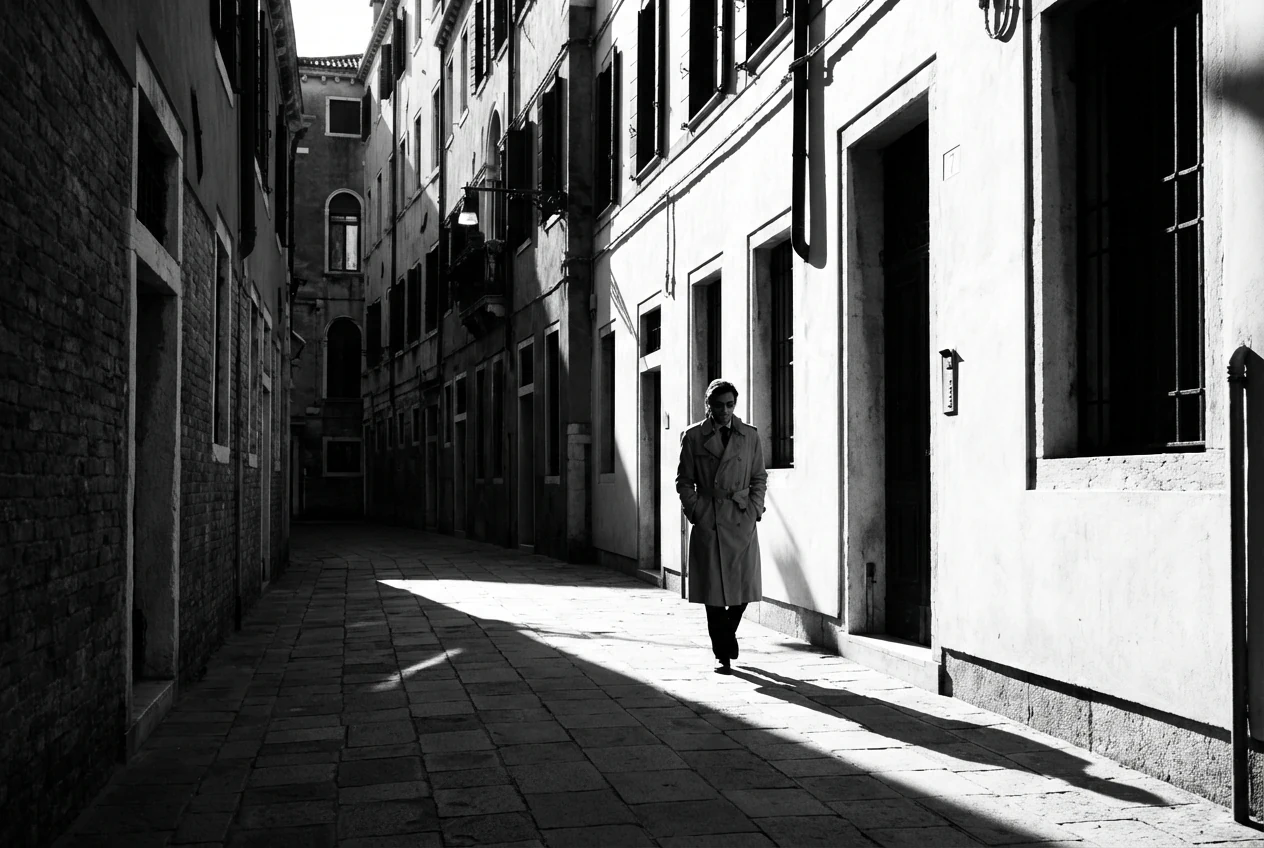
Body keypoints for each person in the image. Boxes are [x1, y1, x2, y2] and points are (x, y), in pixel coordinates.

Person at [676, 378, 768, 673]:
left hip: (741, 518)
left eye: (730, 405)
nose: (725, 411)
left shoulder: (750, 436)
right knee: (713, 592)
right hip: (710, 520)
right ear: (709, 406)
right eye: (719, 405)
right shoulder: (692, 437)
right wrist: (697, 511)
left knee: (744, 587)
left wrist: (754, 509)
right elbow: (683, 481)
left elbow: (759, 477)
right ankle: (723, 653)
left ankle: (727, 633)